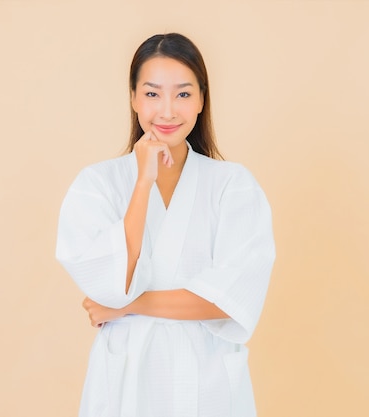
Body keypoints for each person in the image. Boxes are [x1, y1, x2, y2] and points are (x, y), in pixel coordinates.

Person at [56, 33, 275, 417]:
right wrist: (143, 181)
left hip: (207, 383)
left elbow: (230, 300)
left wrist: (128, 308)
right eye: (153, 94)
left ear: (203, 100)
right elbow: (111, 285)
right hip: (125, 377)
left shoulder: (233, 185)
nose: (168, 111)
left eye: (184, 94)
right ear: (133, 98)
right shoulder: (97, 185)